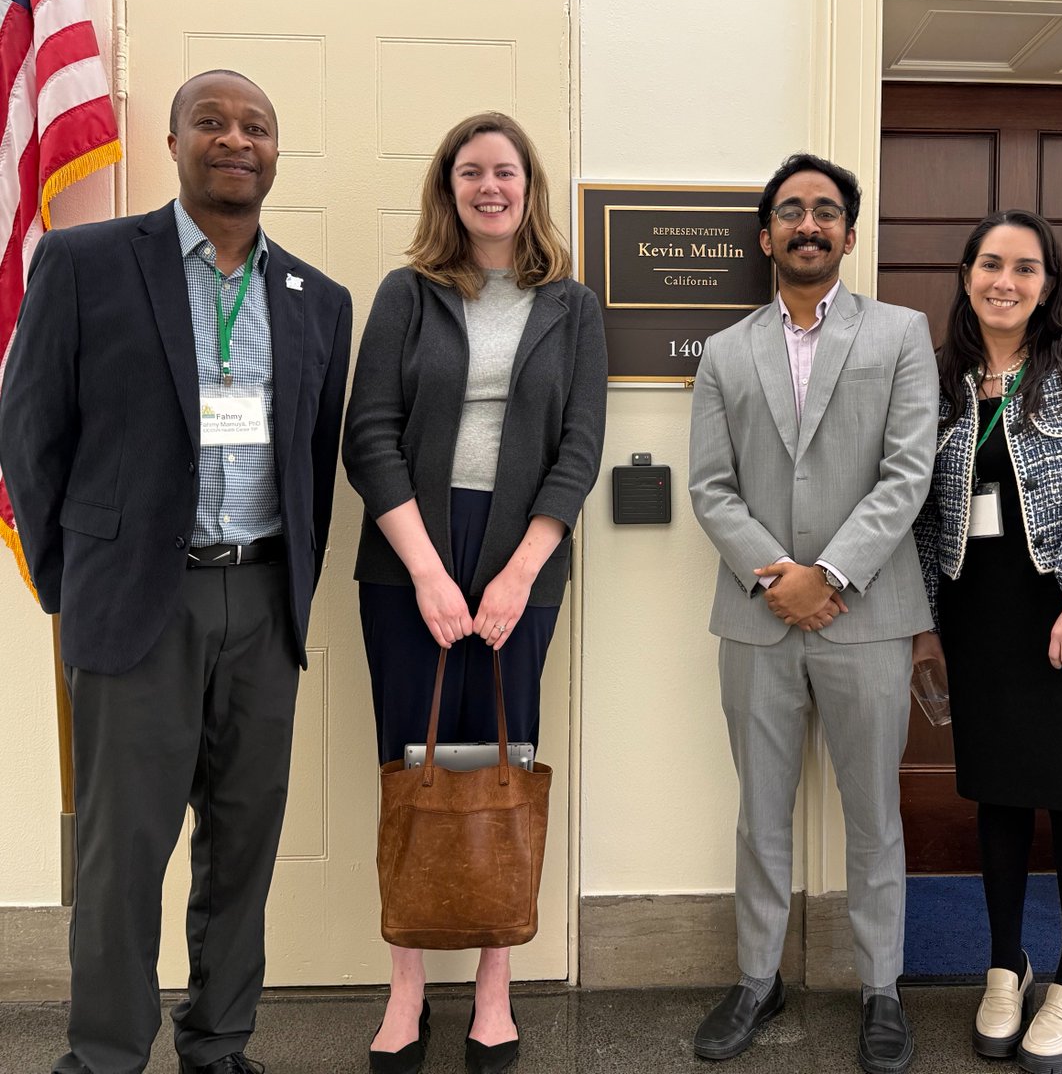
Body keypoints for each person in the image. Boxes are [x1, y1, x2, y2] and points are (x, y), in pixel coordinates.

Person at [0, 70, 352, 1074]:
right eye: (212, 121)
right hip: (136, 606)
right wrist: (71, 576)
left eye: (256, 124)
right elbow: (28, 433)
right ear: (174, 141)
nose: (235, 138)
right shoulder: (85, 263)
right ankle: (107, 1053)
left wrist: (291, 592)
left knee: (241, 850)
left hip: (263, 603)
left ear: (276, 152)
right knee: (122, 854)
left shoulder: (318, 301)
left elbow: (312, 459)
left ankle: (220, 1044)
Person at [341, 111, 607, 1074]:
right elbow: (369, 435)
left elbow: (579, 449)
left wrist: (520, 570)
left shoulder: (572, 306)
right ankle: (405, 987)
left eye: (505, 172)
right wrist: (425, 570)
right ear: (447, 189)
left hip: (521, 557)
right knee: (409, 761)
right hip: (409, 548)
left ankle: (495, 987)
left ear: (528, 186)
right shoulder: (407, 294)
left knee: (505, 754)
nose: (489, 188)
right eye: (469, 173)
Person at [688, 153, 938, 1073]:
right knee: (762, 814)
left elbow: (908, 473)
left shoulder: (902, 334)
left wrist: (828, 572)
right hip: (757, 620)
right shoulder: (724, 351)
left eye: (826, 211)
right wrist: (776, 576)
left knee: (874, 814)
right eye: (790, 211)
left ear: (848, 233)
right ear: (766, 235)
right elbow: (710, 489)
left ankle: (881, 988)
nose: (808, 224)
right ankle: (758, 977)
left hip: (868, 617)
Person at [912, 209, 1062, 1074]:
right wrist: (927, 626)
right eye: (989, 263)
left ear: (1048, 282)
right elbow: (920, 505)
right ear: (967, 273)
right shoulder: (944, 376)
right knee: (1002, 795)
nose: (1004, 281)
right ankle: (1005, 963)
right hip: (982, 615)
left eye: (1024, 267)